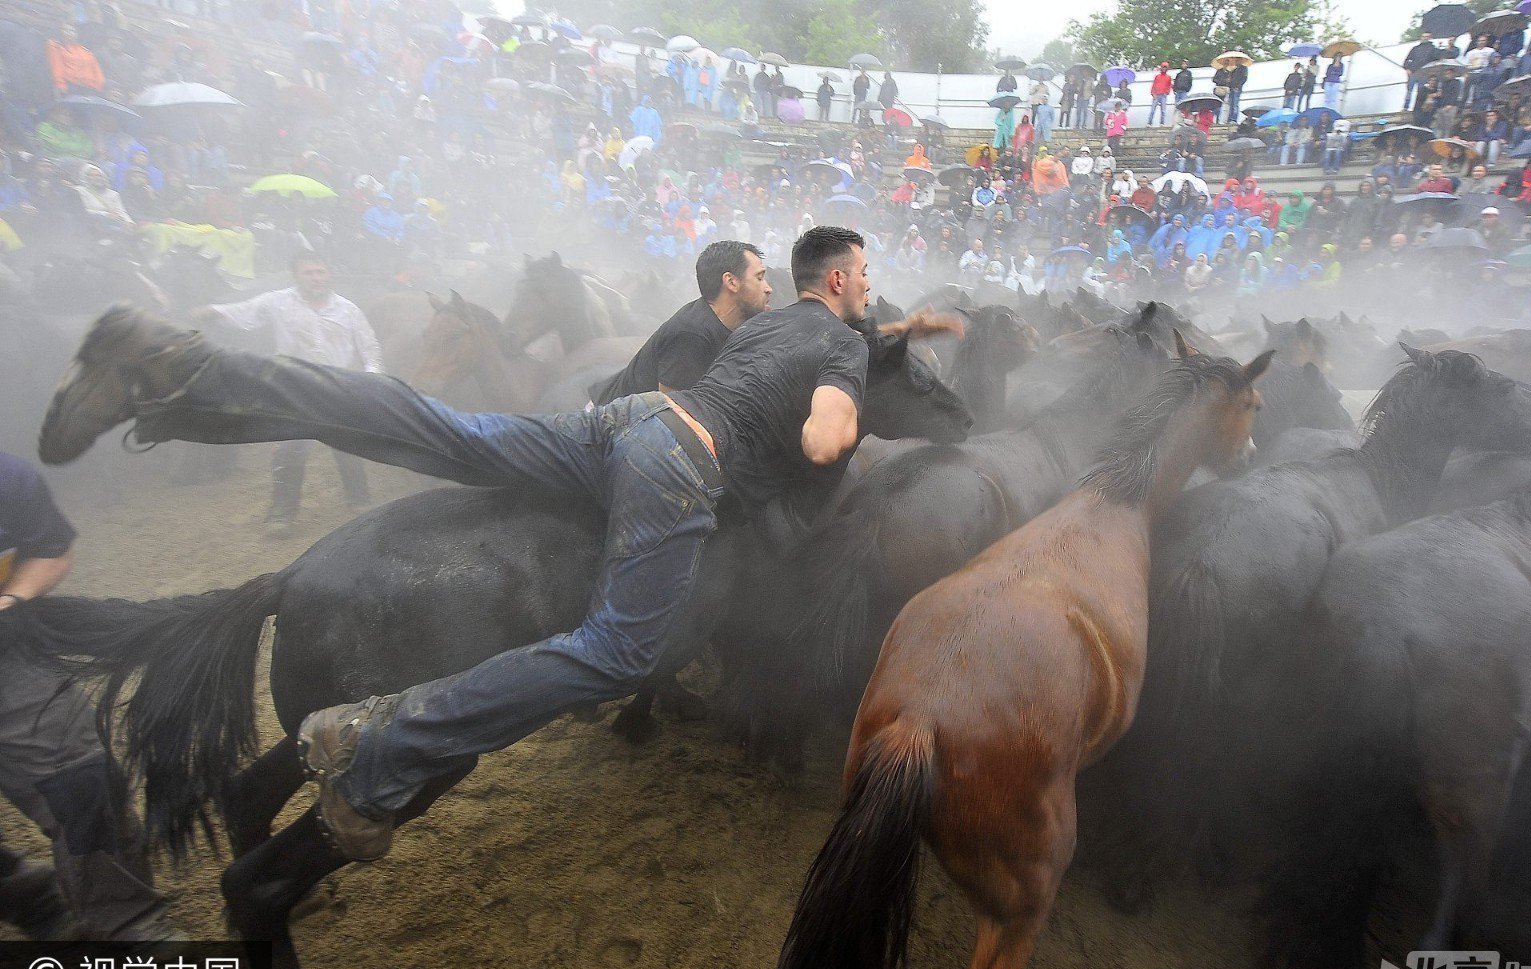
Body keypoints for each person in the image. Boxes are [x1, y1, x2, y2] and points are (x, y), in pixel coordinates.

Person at [39, 229, 961, 863]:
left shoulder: (777, 319)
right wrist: (833, 432)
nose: (873, 288)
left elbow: (844, 334)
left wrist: (904, 331)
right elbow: (827, 435)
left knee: (440, 429)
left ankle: (185, 368)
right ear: (837, 281)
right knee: (621, 651)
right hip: (681, 468)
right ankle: (384, 731)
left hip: (622, 424)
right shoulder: (837, 349)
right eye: (868, 273)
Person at [0, 453, 180, 941]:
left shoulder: (7, 477)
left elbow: (49, 548)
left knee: (82, 779)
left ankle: (125, 922)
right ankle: (18, 887)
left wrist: (10, 601)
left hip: (6, 654)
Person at [192, 250, 381, 532]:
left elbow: (369, 346)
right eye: (309, 272)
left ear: (329, 274)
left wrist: (372, 377)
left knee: (348, 444)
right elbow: (245, 311)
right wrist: (212, 311)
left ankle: (359, 498)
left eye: (321, 272)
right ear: (296, 275)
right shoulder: (277, 302)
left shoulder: (348, 309)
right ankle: (282, 514)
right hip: (294, 386)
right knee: (291, 449)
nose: (316, 278)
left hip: (336, 385)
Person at [591, 242, 770, 403]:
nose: (768, 288)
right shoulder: (691, 334)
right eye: (759, 278)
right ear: (731, 282)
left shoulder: (729, 325)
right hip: (610, 424)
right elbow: (673, 417)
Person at [1403, 33, 1439, 110]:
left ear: (1430, 38)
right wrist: (1407, 69)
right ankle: (1406, 107)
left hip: (1424, 74)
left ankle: (1417, 107)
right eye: (1423, 36)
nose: (1425, 38)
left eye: (1427, 37)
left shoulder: (1433, 49)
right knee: (1409, 91)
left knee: (1420, 92)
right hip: (1413, 73)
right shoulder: (1415, 48)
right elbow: (1407, 60)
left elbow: (1435, 61)